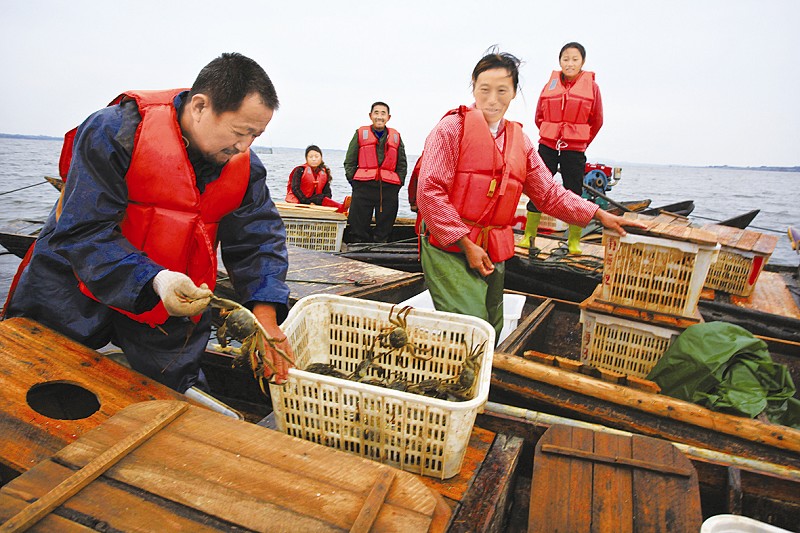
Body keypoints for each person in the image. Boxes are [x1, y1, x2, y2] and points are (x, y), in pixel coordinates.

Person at [4, 53, 293, 392]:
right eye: (240, 132)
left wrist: (265, 318)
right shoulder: (114, 131)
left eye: (256, 135)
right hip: (73, 285)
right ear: (200, 107)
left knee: (173, 392)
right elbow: (83, 230)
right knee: (33, 377)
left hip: (171, 304)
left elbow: (259, 240)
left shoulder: (244, 166)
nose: (245, 145)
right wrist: (153, 279)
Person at [416, 49, 642, 342]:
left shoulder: (519, 141)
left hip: (491, 244)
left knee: (492, 325)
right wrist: (464, 243)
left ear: (513, 94)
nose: (492, 99)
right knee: (471, 326)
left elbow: (549, 193)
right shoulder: (450, 129)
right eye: (484, 90)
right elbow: (429, 192)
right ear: (473, 86)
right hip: (449, 243)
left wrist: (599, 215)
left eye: (502, 91)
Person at [518, 41, 604, 255]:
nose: (570, 63)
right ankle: (529, 236)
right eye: (566, 59)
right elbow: (539, 115)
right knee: (538, 189)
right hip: (547, 145)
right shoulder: (550, 85)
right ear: (560, 61)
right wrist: (550, 134)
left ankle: (574, 241)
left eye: (575, 59)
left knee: (573, 192)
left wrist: (580, 140)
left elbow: (597, 120)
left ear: (582, 62)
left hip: (574, 148)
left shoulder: (592, 88)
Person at [343, 102, 408, 242]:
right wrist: (354, 182)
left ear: (388, 117)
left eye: (383, 113)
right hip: (363, 186)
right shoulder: (360, 134)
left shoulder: (396, 136)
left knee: (385, 226)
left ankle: (381, 248)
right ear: (370, 116)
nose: (379, 116)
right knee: (358, 225)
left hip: (388, 188)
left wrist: (398, 184)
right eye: (376, 113)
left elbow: (402, 163)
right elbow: (350, 161)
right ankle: (357, 250)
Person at [285, 144, 349, 212]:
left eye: (316, 156)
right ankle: (341, 207)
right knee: (319, 198)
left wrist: (323, 204)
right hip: (299, 201)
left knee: (321, 197)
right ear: (306, 159)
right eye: (310, 157)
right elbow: (295, 188)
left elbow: (327, 192)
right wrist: (307, 202)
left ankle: (340, 208)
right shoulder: (300, 170)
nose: (314, 159)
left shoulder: (324, 172)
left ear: (321, 158)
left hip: (314, 200)